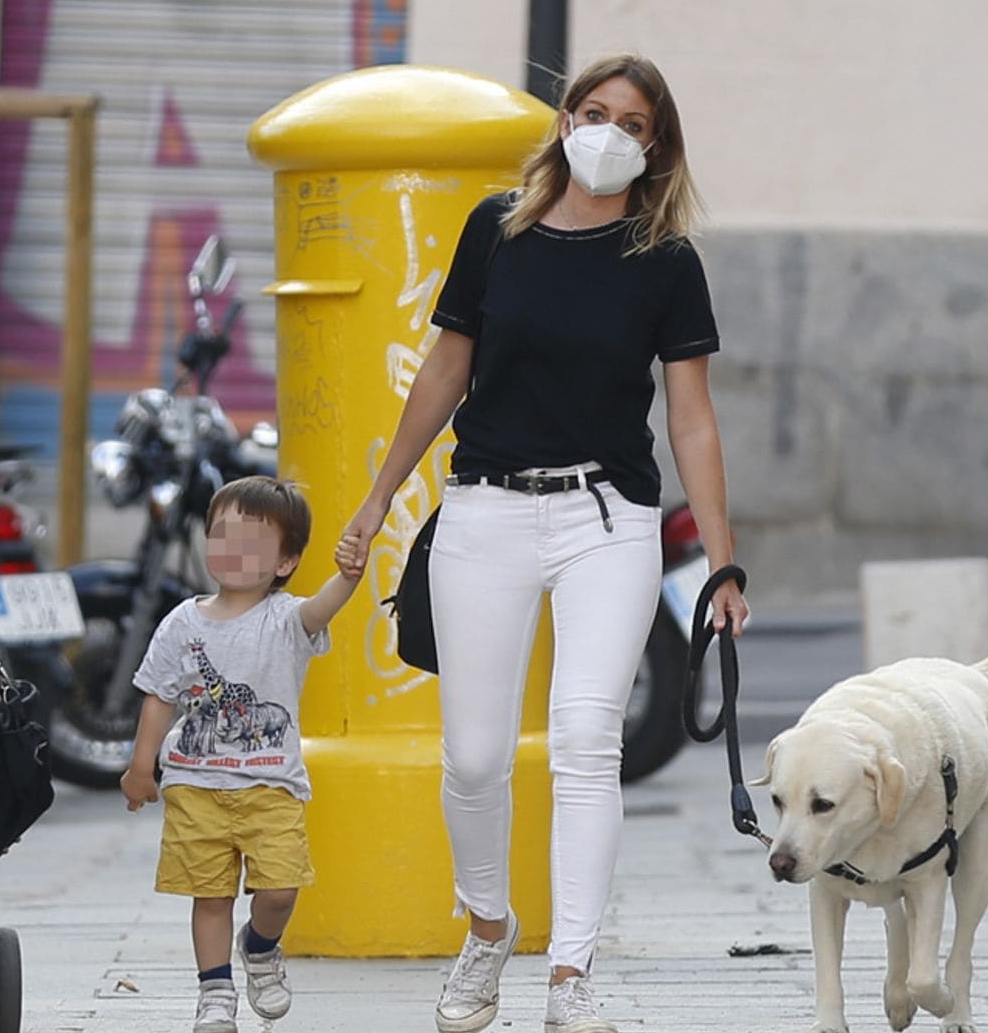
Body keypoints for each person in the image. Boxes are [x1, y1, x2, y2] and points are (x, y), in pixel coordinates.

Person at [338, 54, 750, 1033]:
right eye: (596, 111)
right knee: (475, 759)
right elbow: (444, 371)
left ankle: (572, 974)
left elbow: (692, 420)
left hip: (608, 520)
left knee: (585, 742)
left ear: (657, 147)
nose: (611, 132)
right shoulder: (497, 231)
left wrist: (723, 563)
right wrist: (376, 498)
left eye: (635, 123)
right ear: (565, 120)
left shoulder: (666, 260)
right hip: (484, 510)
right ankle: (488, 930)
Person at [120, 477, 365, 1033]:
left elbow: (322, 608)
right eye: (223, 536)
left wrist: (348, 576)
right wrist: (142, 765)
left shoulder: (286, 619)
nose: (233, 552)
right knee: (209, 896)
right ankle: (215, 992)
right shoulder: (182, 622)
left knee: (279, 890)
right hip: (195, 786)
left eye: (253, 543)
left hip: (272, 787)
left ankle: (259, 946)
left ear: (285, 561)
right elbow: (160, 696)